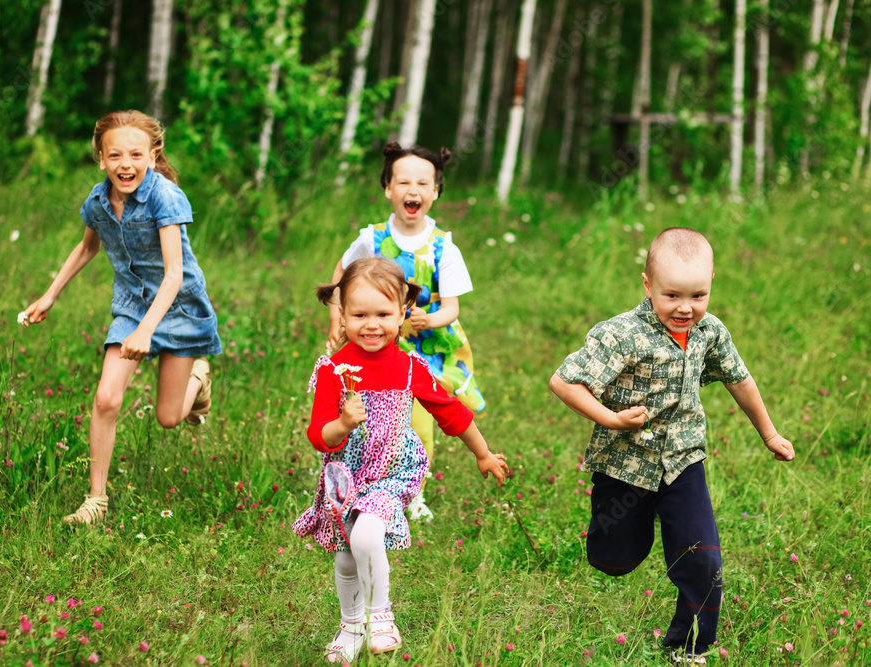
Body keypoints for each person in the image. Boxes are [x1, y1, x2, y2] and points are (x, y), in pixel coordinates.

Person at [549, 227, 794, 665]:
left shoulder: (710, 332)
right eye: (672, 296)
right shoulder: (620, 334)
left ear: (712, 283)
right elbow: (563, 382)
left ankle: (689, 647)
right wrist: (611, 418)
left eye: (698, 295)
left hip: (683, 461)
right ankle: (622, 539)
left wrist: (770, 433)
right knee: (615, 558)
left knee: (701, 557)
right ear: (648, 285)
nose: (686, 308)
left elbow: (739, 379)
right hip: (625, 465)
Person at [296, 257, 508, 663]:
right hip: (346, 475)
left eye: (383, 314)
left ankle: (381, 617)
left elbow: (450, 411)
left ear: (403, 313)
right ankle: (351, 626)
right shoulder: (333, 370)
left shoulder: (410, 367)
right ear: (342, 313)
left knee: (366, 537)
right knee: (344, 555)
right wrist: (342, 424)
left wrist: (482, 453)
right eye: (359, 314)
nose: (371, 324)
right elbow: (318, 437)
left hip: (393, 471)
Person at [20, 110, 220, 525]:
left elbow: (174, 273)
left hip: (178, 306)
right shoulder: (97, 201)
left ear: (152, 155)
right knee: (106, 398)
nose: (125, 164)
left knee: (169, 418)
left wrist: (149, 330)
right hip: (132, 306)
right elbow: (86, 248)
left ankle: (198, 377)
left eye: (134, 154)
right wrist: (49, 295)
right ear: (101, 158)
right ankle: (96, 500)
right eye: (115, 155)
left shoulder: (165, 196)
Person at [327, 142, 483, 523]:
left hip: (427, 351)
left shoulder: (444, 247)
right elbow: (340, 278)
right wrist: (337, 321)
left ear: (435, 192)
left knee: (421, 426)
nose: (412, 190)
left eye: (422, 183)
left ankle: (413, 494)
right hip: (373, 342)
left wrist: (432, 319)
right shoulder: (373, 238)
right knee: (366, 421)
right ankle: (359, 483)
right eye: (403, 182)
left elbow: (452, 307)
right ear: (388, 189)